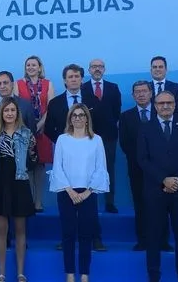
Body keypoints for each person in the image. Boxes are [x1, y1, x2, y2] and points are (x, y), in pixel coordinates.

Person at [136, 91, 178, 282]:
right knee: (153, 237)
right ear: (155, 105)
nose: (165, 106)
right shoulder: (145, 129)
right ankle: (153, 279)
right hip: (155, 191)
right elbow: (143, 160)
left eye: (169, 103)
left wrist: (176, 179)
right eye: (161, 103)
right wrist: (163, 179)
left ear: (175, 105)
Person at [45, 64, 106, 251]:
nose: (73, 79)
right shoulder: (55, 103)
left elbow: (100, 124)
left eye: (77, 76)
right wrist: (68, 144)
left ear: (82, 79)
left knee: (90, 202)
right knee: (66, 201)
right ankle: (67, 239)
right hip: (66, 158)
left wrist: (84, 143)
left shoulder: (92, 100)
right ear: (64, 80)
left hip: (88, 158)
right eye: (70, 77)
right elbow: (48, 129)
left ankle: (95, 238)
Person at [49, 104, 109, 282]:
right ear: (70, 119)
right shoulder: (62, 140)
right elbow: (57, 166)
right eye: (74, 115)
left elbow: (101, 168)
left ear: (87, 118)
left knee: (85, 235)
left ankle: (84, 276)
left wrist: (86, 192)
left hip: (88, 193)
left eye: (81, 115)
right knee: (68, 235)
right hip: (67, 192)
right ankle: (69, 274)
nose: (77, 118)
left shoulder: (96, 140)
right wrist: (70, 191)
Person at [0, 98, 35, 282]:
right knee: (1, 230)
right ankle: (1, 274)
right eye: (6, 111)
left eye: (13, 110)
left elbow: (33, 160)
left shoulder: (27, 134)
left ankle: (21, 274)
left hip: (19, 184)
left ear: (17, 113)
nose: (10, 113)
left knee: (20, 230)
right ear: (1, 114)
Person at [119, 81, 165, 251]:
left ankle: (163, 240)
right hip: (137, 169)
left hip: (160, 170)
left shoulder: (161, 113)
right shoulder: (126, 116)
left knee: (161, 205)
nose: (141, 94)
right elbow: (124, 143)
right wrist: (141, 160)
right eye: (137, 92)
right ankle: (143, 240)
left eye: (144, 91)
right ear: (133, 96)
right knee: (140, 204)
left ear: (151, 93)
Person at [81, 58, 122, 214]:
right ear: (89, 70)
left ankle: (109, 202)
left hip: (109, 136)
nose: (97, 69)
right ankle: (88, 200)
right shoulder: (82, 88)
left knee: (108, 169)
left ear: (104, 69)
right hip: (87, 136)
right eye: (94, 67)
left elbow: (116, 111)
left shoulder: (113, 88)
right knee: (87, 169)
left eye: (100, 67)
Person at [16, 55, 55, 212]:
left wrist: (39, 124)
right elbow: (16, 108)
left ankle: (38, 202)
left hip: (43, 131)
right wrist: (28, 127)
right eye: (28, 65)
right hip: (24, 130)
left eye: (34, 65)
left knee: (39, 166)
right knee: (26, 166)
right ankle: (29, 201)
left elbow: (51, 106)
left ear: (40, 67)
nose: (30, 67)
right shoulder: (17, 84)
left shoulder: (48, 84)